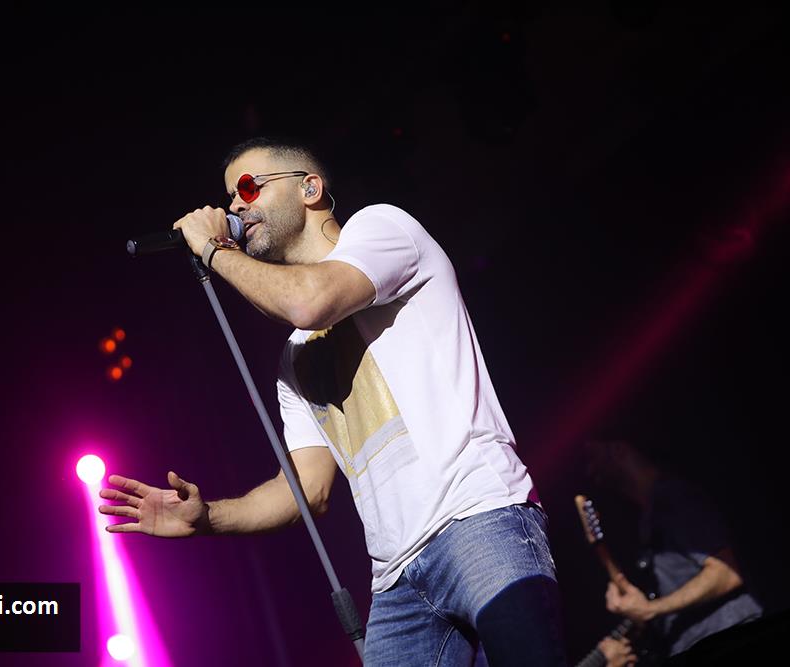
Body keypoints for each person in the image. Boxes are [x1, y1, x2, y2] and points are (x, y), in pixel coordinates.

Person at [99, 137, 567, 665]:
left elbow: (311, 301)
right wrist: (208, 517)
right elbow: (308, 490)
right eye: (230, 197)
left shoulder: (383, 228)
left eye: (248, 188)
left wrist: (213, 250)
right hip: (396, 580)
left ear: (310, 188)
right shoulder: (295, 358)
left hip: (478, 517)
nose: (234, 207)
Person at [584, 438, 763, 659]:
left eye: (593, 455)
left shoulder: (673, 498)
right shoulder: (647, 517)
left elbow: (727, 572)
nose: (590, 470)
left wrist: (651, 609)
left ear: (618, 449)